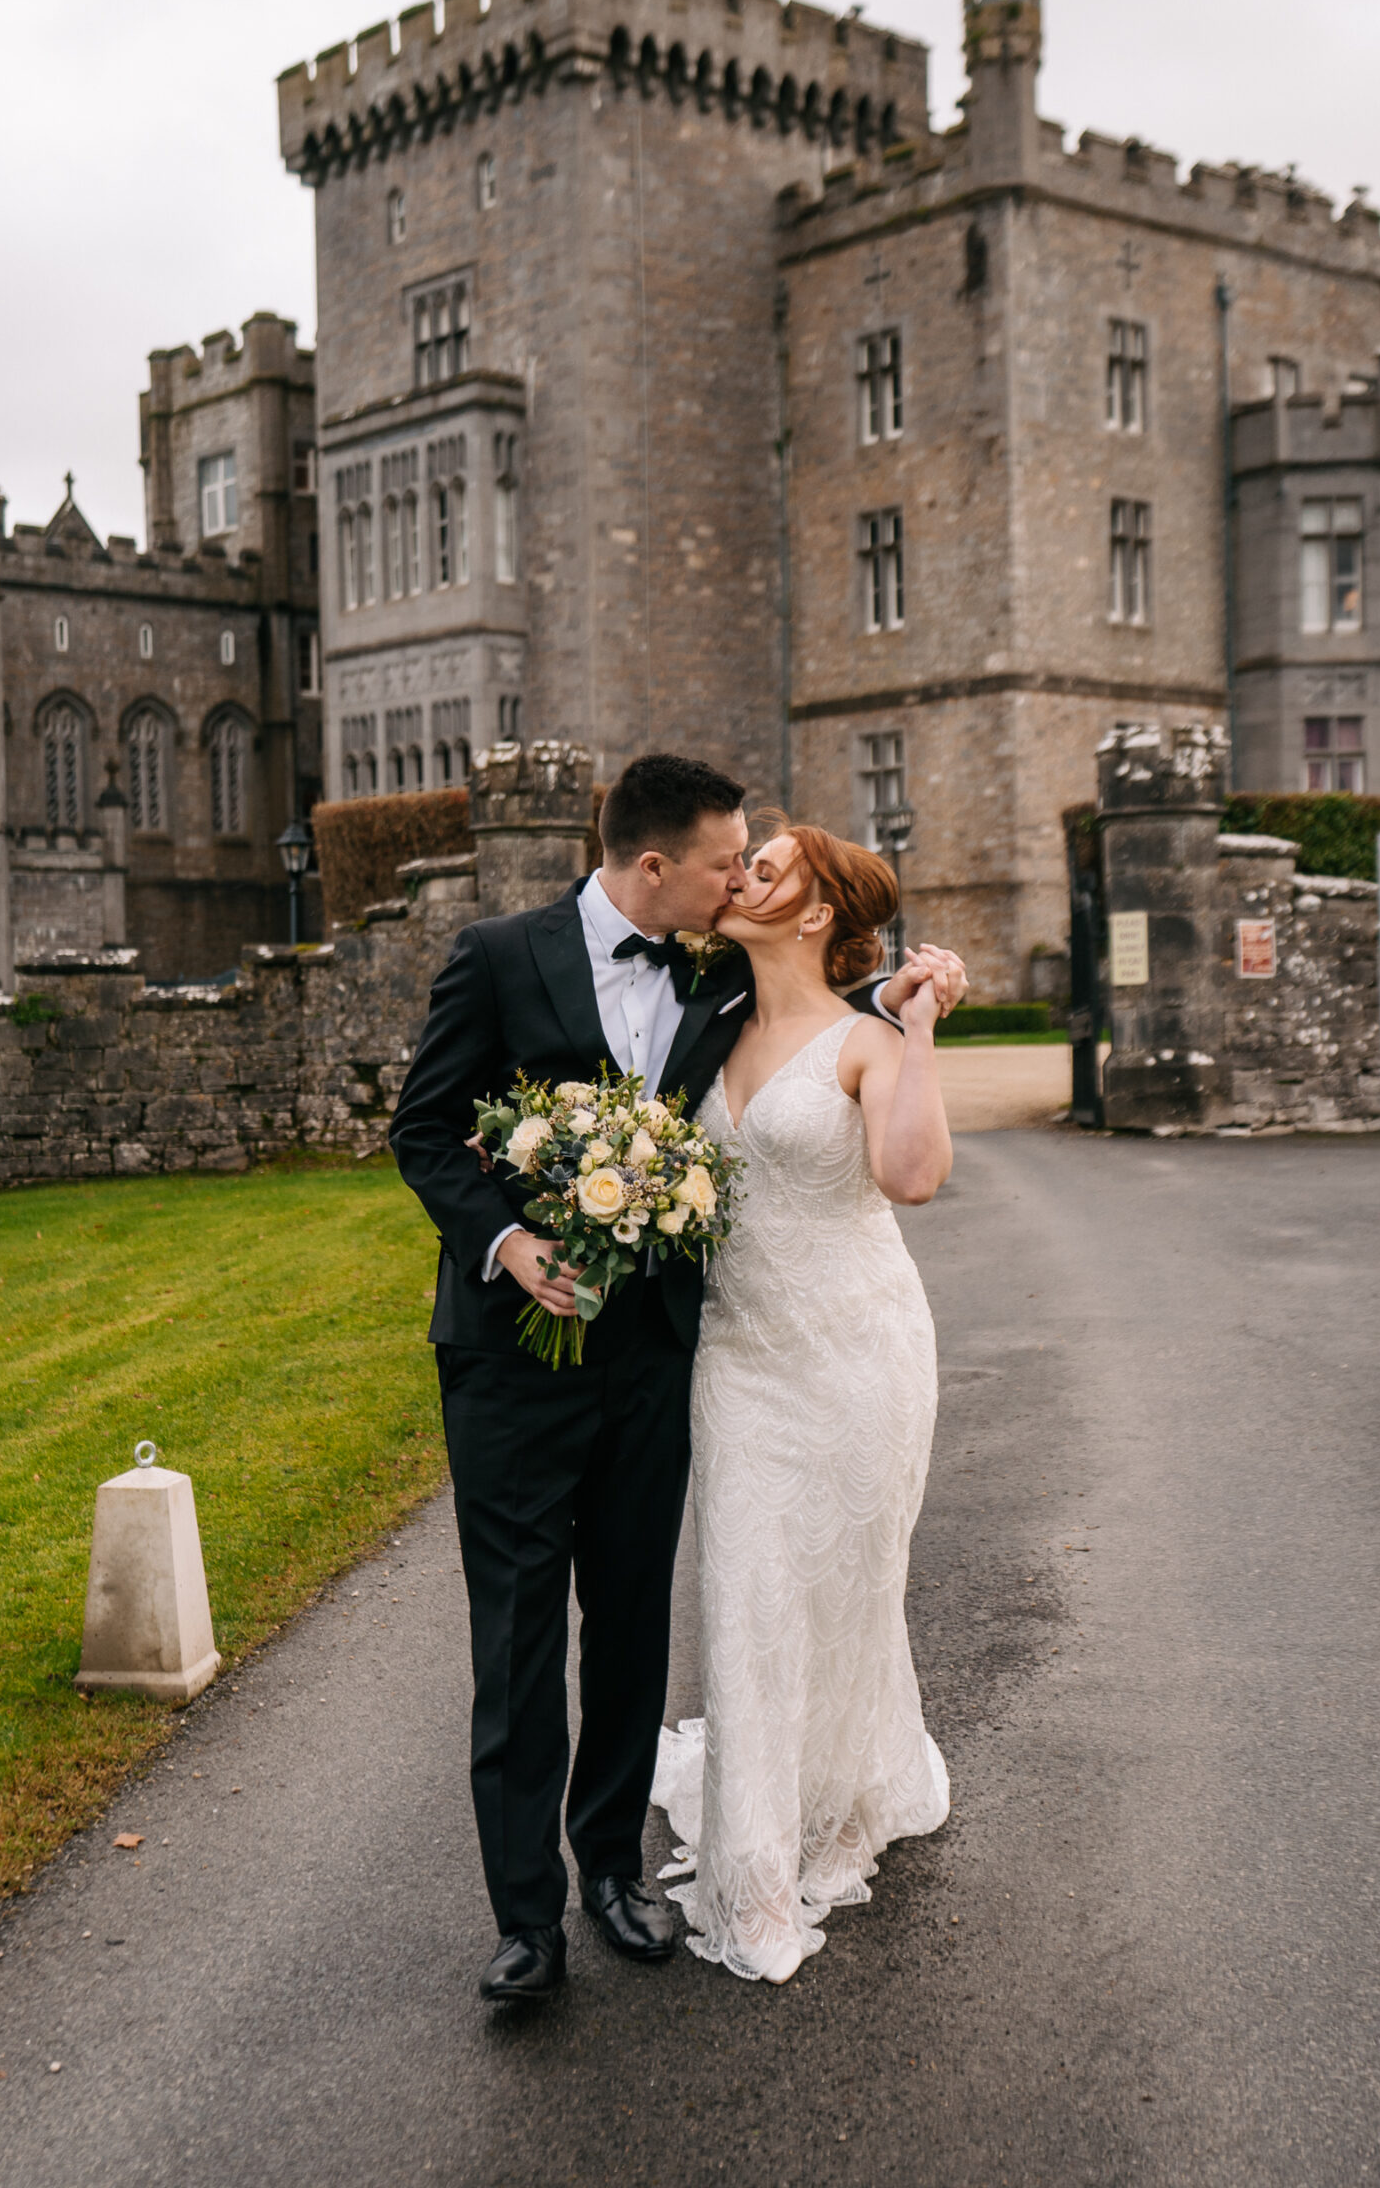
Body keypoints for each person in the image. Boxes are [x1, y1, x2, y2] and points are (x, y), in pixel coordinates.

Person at [388, 752, 757, 2003]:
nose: (739, 878)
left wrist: (921, 987)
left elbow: (836, 987)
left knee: (634, 1620)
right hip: (508, 1364)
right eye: (724, 862)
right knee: (518, 1637)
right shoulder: (498, 954)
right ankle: (525, 1918)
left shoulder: (720, 972)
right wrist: (506, 1238)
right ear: (655, 865)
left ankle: (613, 1867)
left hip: (651, 1361)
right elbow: (426, 1128)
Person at [651, 822, 968, 1983]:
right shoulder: (706, 1016)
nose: (741, 877)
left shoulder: (867, 1042)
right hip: (737, 1360)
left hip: (860, 1356)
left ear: (818, 910)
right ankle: (755, 1880)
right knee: (748, 1593)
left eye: (768, 867)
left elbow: (915, 1176)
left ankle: (836, 1806)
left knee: (847, 1590)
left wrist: (916, 1020)